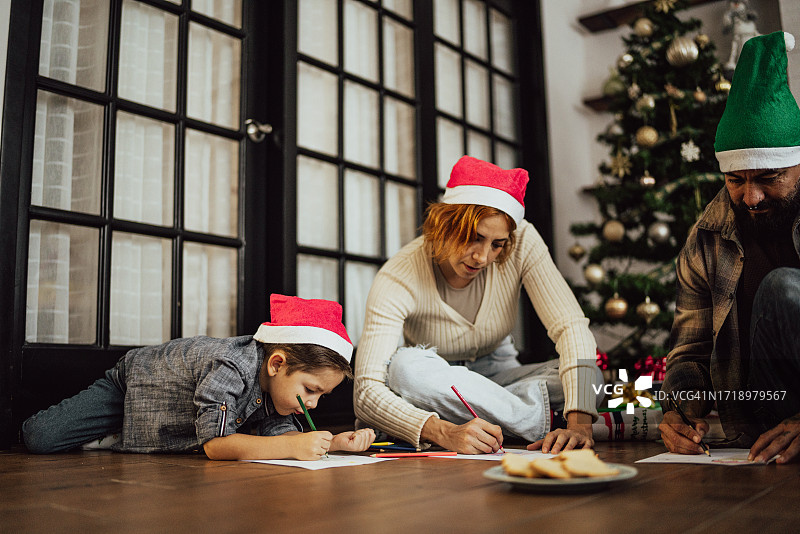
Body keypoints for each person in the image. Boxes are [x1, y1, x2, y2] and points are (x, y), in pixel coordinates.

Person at [353, 155, 602, 455]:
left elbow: (570, 326)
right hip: (437, 382)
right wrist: (444, 431)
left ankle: (480, 418)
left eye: (497, 244)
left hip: (500, 375)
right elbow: (366, 392)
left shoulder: (524, 241)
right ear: (443, 224)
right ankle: (534, 420)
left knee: (590, 378)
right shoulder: (399, 275)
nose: (483, 257)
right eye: (474, 238)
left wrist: (579, 425)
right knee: (404, 370)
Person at [660, 32, 800, 464]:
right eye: (736, 180)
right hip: (761, 424)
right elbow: (690, 349)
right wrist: (679, 409)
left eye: (769, 177)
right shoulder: (706, 237)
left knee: (783, 288)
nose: (751, 197)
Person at [23, 294, 375, 460]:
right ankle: (114, 430)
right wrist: (292, 446)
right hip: (132, 390)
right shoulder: (231, 366)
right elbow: (216, 445)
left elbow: (276, 430)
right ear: (277, 364)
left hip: (170, 422)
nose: (311, 403)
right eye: (311, 390)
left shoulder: (276, 394)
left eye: (321, 397)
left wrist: (334, 444)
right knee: (40, 437)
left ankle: (117, 437)